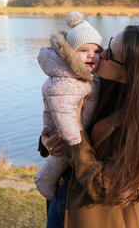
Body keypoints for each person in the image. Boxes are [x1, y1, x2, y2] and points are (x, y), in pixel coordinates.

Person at [40, 25, 139, 228]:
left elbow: (105, 188)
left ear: (130, 69)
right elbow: (62, 114)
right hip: (61, 197)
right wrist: (49, 139)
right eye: (109, 43)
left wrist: (76, 133)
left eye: (110, 53)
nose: (101, 53)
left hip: (92, 216)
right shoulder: (100, 83)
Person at [35, 11, 104, 200]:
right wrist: (74, 139)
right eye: (83, 51)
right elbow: (62, 108)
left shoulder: (88, 77)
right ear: (69, 55)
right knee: (59, 157)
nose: (92, 55)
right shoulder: (68, 80)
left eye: (97, 51)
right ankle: (44, 179)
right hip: (68, 135)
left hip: (79, 172)